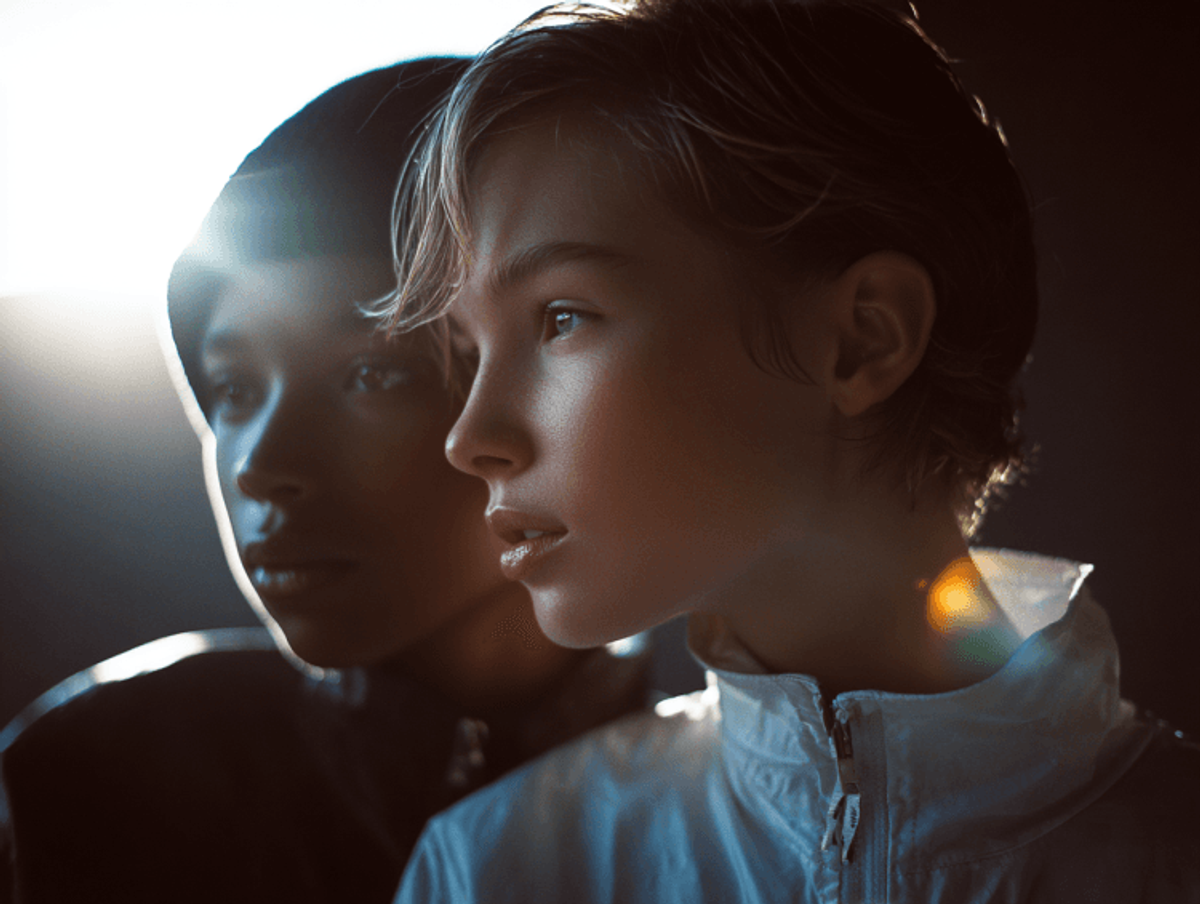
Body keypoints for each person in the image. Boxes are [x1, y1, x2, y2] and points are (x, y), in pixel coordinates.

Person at [383, 2, 1200, 901]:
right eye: (471, 354)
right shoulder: (497, 871)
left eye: (561, 317)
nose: (469, 439)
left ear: (862, 341)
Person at [0, 57, 648, 904]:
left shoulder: (742, 810)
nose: (260, 467)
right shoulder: (90, 777)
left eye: (372, 376)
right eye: (231, 390)